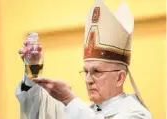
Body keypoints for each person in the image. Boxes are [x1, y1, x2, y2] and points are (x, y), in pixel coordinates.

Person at [15, 0, 152, 119]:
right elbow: (36, 109)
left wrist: (69, 99)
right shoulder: (85, 111)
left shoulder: (136, 113)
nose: (88, 80)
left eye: (96, 71)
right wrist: (32, 69)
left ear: (119, 78)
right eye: (85, 71)